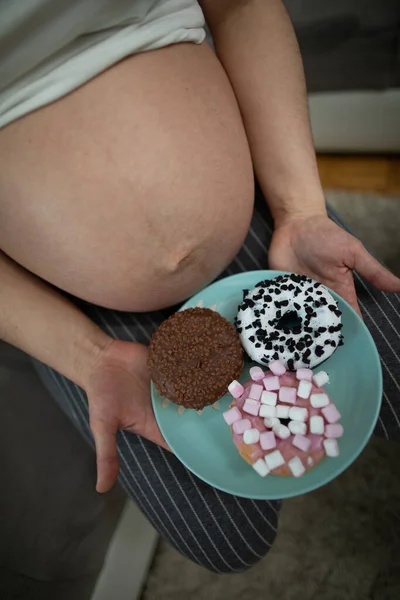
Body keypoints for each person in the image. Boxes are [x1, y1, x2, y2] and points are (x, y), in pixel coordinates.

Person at [0, 0, 399, 573]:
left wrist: (302, 210)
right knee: (226, 540)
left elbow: (242, 6)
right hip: (83, 303)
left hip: (267, 227)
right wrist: (87, 357)